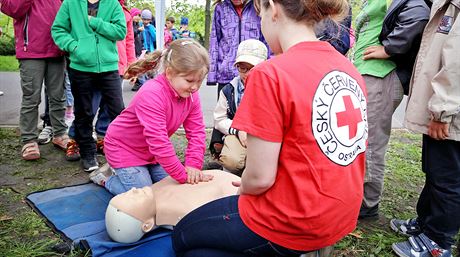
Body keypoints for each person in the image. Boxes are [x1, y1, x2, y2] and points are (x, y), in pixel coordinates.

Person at [172, 0, 367, 256]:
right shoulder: (349, 68)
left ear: (272, 8)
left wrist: (243, 189)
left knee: (182, 236)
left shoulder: (269, 74)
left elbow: (259, 179)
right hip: (339, 214)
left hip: (292, 222)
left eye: (259, 13)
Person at [89, 39, 211, 195]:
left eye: (200, 81)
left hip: (151, 152)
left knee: (169, 191)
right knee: (146, 195)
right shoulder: (152, 93)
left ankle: (138, 172)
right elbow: (159, 141)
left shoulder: (191, 95)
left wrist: (193, 165)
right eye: (189, 80)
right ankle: (106, 178)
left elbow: (197, 132)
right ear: (169, 73)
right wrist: (183, 176)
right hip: (124, 149)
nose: (195, 87)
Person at [390, 1, 459, 256]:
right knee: (433, 170)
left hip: (449, 112)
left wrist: (443, 110)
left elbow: (456, 63)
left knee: (447, 178)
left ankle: (438, 241)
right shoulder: (445, 5)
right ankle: (426, 224)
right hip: (442, 109)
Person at [353, 0, 429, 219]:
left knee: (372, 142)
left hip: (381, 75)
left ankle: (368, 203)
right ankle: (359, 196)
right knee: (361, 140)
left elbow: (419, 14)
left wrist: (389, 48)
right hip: (367, 73)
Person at [51, 0, 126, 172]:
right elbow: (58, 29)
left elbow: (121, 31)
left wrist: (95, 22)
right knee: (84, 111)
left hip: (108, 67)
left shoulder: (113, 4)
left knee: (118, 110)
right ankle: (88, 152)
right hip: (80, 67)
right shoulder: (71, 3)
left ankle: (124, 150)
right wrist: (74, 46)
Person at [1, 0, 68, 160]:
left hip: (56, 48)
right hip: (31, 50)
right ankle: (29, 139)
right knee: (31, 97)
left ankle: (59, 133)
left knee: (58, 96)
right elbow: (13, 9)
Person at [105, 170, 239, 243]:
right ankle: (106, 179)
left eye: (126, 194)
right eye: (131, 198)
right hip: (238, 189)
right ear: (147, 225)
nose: (133, 190)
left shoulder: (151, 192)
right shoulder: (181, 214)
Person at [210, 39, 268, 176]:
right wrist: (238, 129)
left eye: (253, 68)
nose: (247, 73)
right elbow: (219, 119)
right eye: (243, 68)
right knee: (232, 161)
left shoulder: (270, 88)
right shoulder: (229, 90)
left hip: (263, 133)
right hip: (236, 132)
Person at [207, 0, 270, 98]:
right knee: (225, 111)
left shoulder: (259, 7)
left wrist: (269, 72)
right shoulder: (221, 9)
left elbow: (267, 41)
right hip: (226, 75)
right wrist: (212, 73)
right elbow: (214, 39)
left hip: (254, 73)